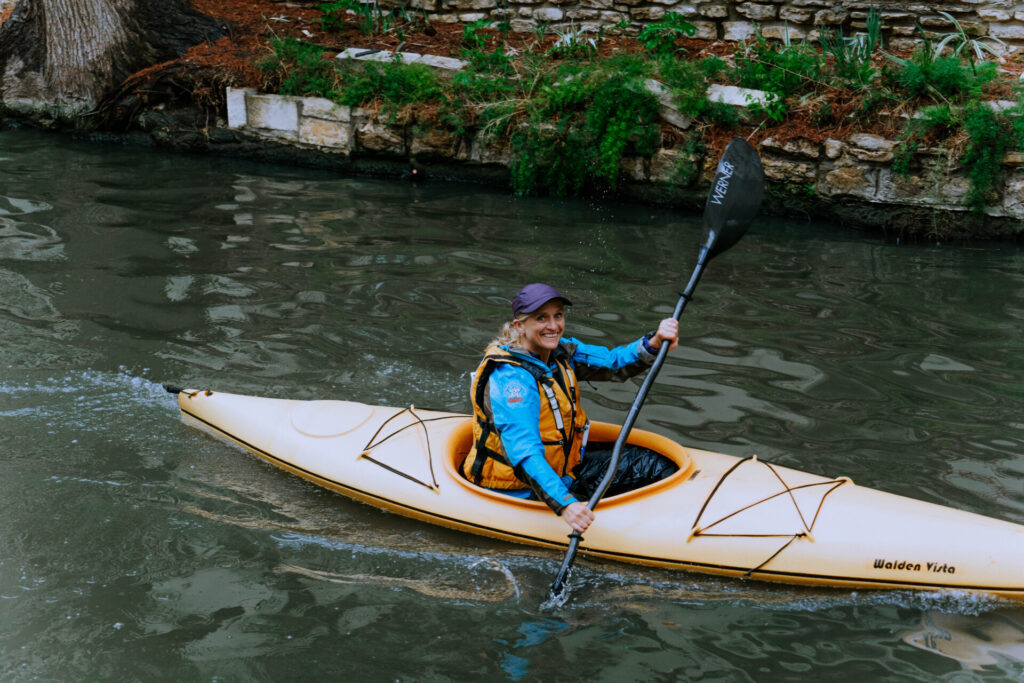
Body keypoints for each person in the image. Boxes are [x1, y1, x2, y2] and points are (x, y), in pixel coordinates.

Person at [462, 283, 680, 534]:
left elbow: (613, 363)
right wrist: (566, 504)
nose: (553, 326)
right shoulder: (511, 381)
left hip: (565, 472)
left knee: (656, 465)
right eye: (541, 318)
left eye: (558, 316)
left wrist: (654, 342)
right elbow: (524, 452)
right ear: (519, 326)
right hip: (519, 489)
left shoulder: (560, 352)